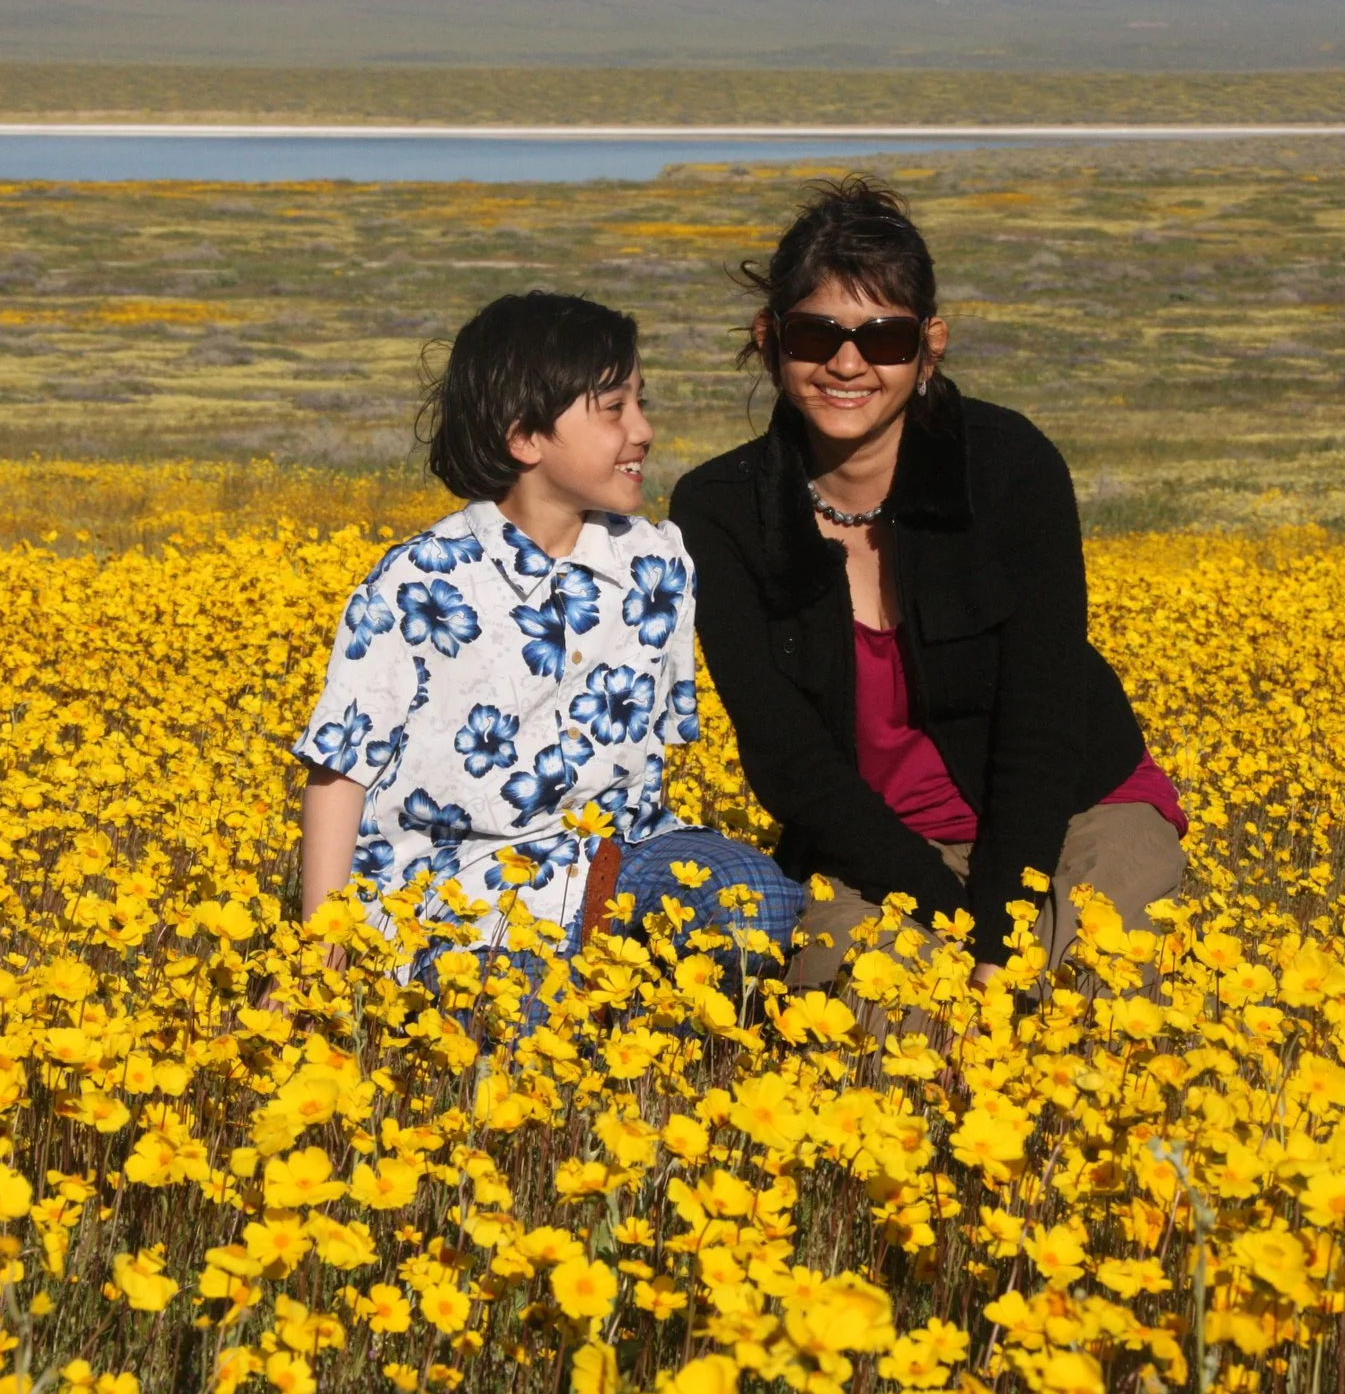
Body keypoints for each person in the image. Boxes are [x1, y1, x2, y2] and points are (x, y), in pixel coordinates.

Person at [668, 178, 1186, 990]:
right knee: (880, 1021)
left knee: (1097, 993)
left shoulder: (1010, 467)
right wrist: (950, 915)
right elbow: (789, 759)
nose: (847, 363)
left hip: (1074, 810)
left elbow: (1043, 714)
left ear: (929, 345)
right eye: (816, 334)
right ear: (770, 339)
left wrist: (999, 931)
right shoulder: (720, 510)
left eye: (884, 338)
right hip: (878, 849)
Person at [293, 291, 804, 996]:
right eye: (615, 408)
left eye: (642, 401)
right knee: (524, 1009)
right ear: (525, 438)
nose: (644, 429)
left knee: (757, 901)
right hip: (461, 894)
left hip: (621, 859)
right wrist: (319, 955)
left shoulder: (657, 566)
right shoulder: (419, 583)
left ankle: (661, 1032)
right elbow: (341, 769)